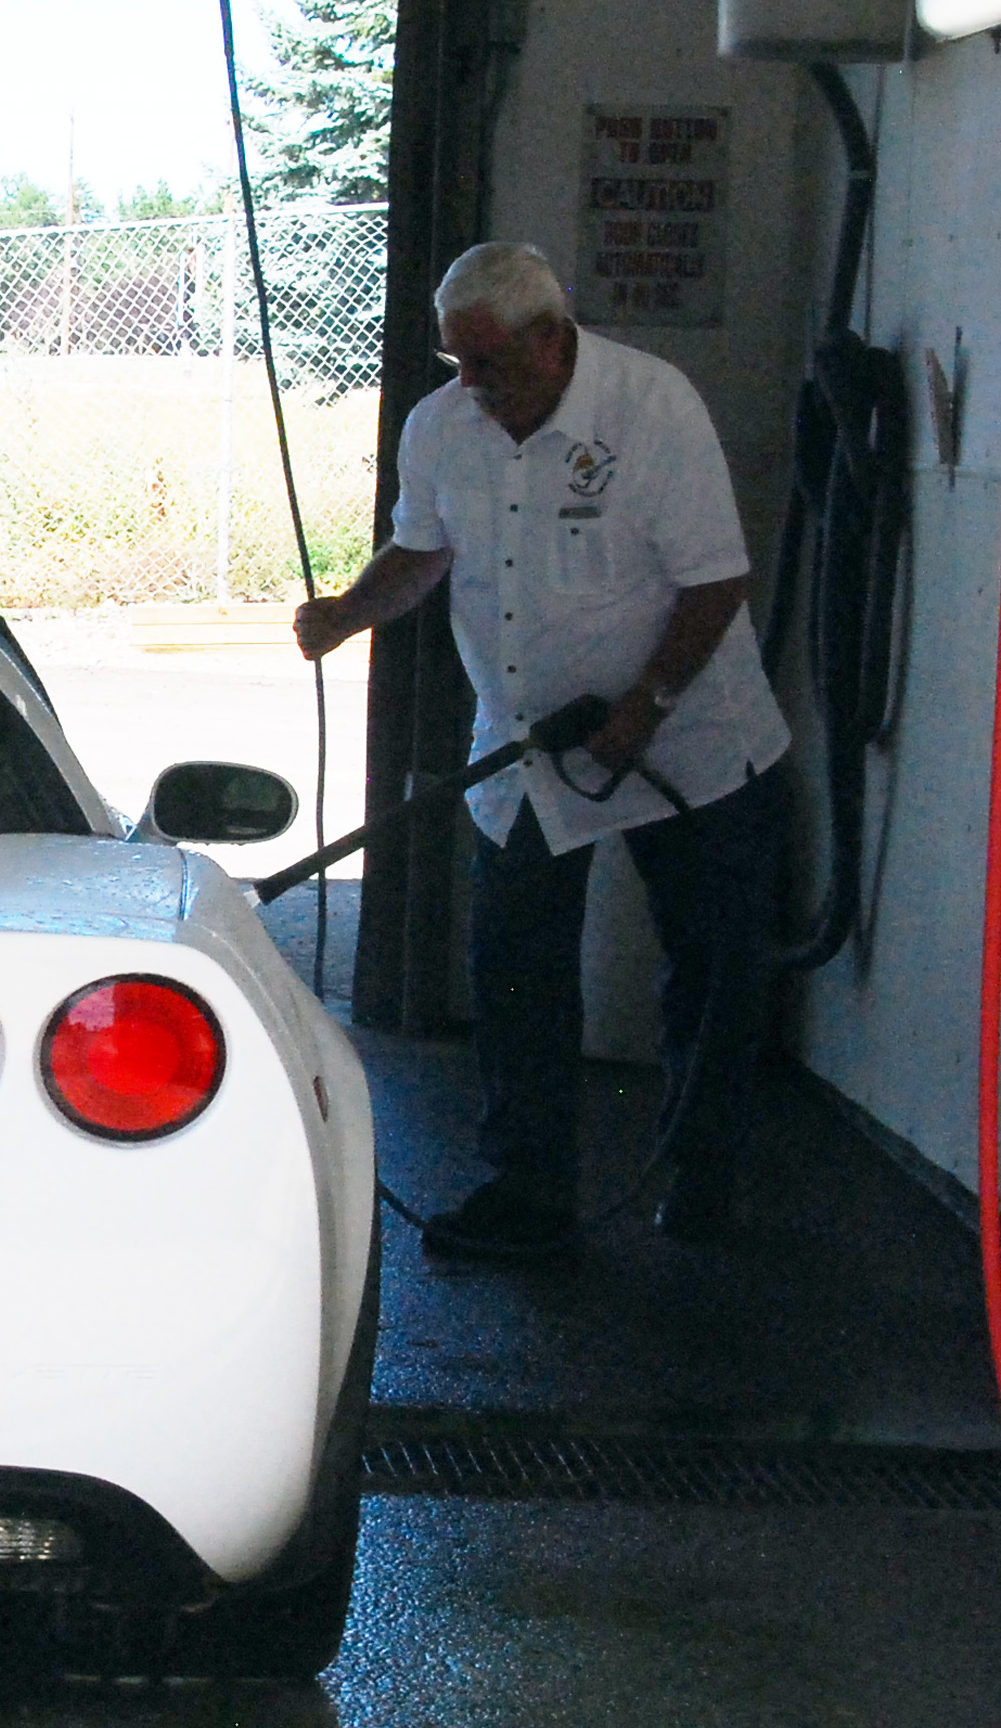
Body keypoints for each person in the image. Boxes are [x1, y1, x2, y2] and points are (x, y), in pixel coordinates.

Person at [292, 242, 791, 1255]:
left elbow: (714, 582)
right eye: (457, 366)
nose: (470, 387)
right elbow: (423, 551)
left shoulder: (652, 411)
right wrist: (348, 612)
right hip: (530, 741)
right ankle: (529, 1190)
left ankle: (703, 1178)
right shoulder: (443, 431)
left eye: (489, 365)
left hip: (687, 738)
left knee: (711, 963)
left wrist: (645, 707)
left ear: (552, 341)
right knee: (515, 959)